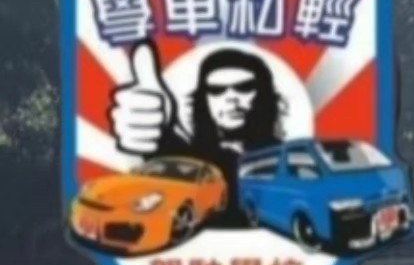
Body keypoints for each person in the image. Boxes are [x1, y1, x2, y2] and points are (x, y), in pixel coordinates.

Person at [110, 42, 286, 227]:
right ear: (203, 100)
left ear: (264, 93)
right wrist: (153, 126)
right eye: (216, 90)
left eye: (244, 87)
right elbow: (171, 161)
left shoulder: (286, 158)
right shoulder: (192, 159)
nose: (231, 98)